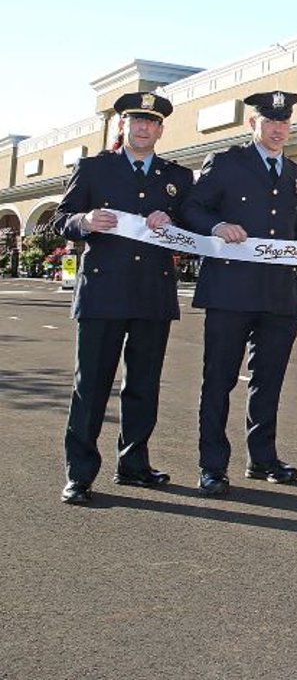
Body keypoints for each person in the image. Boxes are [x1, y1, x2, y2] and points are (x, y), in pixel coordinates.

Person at [55, 92, 193, 505]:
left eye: (150, 122)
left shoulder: (177, 177)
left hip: (152, 293)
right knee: (91, 386)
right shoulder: (94, 168)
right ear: (122, 125)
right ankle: (79, 475)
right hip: (103, 294)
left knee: (143, 386)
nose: (143, 128)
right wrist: (84, 220)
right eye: (135, 121)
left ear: (161, 129)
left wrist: (172, 221)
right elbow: (61, 219)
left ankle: (133, 466)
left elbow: (190, 226)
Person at [182, 90, 297, 496]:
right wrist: (216, 226)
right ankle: (212, 465)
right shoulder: (226, 164)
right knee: (219, 379)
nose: (278, 129)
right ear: (252, 124)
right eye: (269, 121)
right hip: (230, 291)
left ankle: (262, 458)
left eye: (284, 122)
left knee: (269, 381)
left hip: (279, 295)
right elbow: (191, 208)